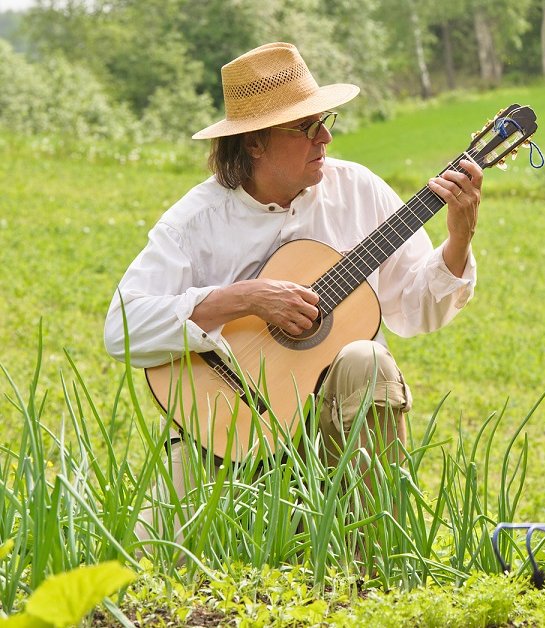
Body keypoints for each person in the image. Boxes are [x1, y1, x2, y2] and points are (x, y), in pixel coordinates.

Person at [104, 42, 483, 543]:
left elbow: (418, 311)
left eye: (324, 121)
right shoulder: (194, 222)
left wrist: (458, 238)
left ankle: (374, 566)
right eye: (305, 128)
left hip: (333, 430)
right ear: (255, 143)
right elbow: (121, 329)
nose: (324, 137)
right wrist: (242, 298)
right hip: (223, 432)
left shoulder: (359, 191)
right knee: (149, 571)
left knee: (368, 358)